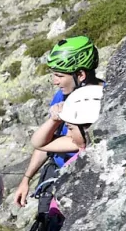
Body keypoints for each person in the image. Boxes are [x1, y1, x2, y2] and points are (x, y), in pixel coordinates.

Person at [13, 37, 104, 207]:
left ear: (80, 75)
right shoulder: (62, 95)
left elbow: (47, 143)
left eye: (59, 75)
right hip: (56, 170)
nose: (55, 81)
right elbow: (48, 139)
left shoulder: (99, 102)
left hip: (77, 176)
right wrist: (26, 179)